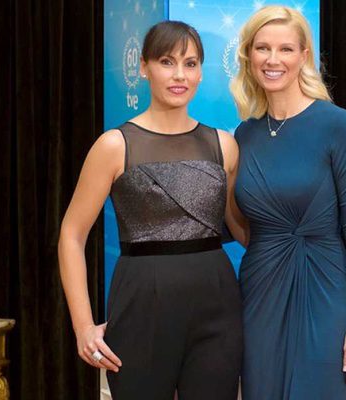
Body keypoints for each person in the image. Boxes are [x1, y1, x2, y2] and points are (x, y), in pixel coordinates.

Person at [58, 21, 243, 400]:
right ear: (143, 67)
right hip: (140, 307)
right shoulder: (114, 145)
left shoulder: (224, 145)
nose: (180, 75)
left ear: (201, 71)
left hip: (217, 306)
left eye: (190, 64)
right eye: (166, 61)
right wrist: (82, 327)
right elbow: (71, 236)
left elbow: (244, 231)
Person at [228, 6, 346, 400]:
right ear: (249, 55)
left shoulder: (336, 124)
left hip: (326, 290)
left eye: (286, 49)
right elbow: (240, 225)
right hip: (260, 293)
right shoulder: (244, 135)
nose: (273, 60)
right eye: (263, 48)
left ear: (304, 56)